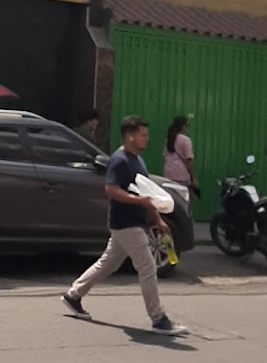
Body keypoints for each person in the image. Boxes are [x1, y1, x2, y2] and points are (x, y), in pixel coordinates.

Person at [62, 114, 188, 335]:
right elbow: (111, 189)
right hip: (125, 223)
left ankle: (73, 295)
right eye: (143, 135)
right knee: (148, 267)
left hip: (131, 222)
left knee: (107, 264)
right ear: (130, 137)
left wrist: (157, 219)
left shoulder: (137, 160)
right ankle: (158, 318)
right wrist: (139, 202)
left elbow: (146, 193)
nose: (146, 139)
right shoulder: (119, 160)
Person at [163, 114, 198, 195]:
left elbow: (165, 156)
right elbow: (189, 160)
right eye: (187, 126)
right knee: (183, 199)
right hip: (181, 176)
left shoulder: (169, 139)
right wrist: (193, 177)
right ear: (183, 127)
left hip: (168, 174)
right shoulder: (186, 140)